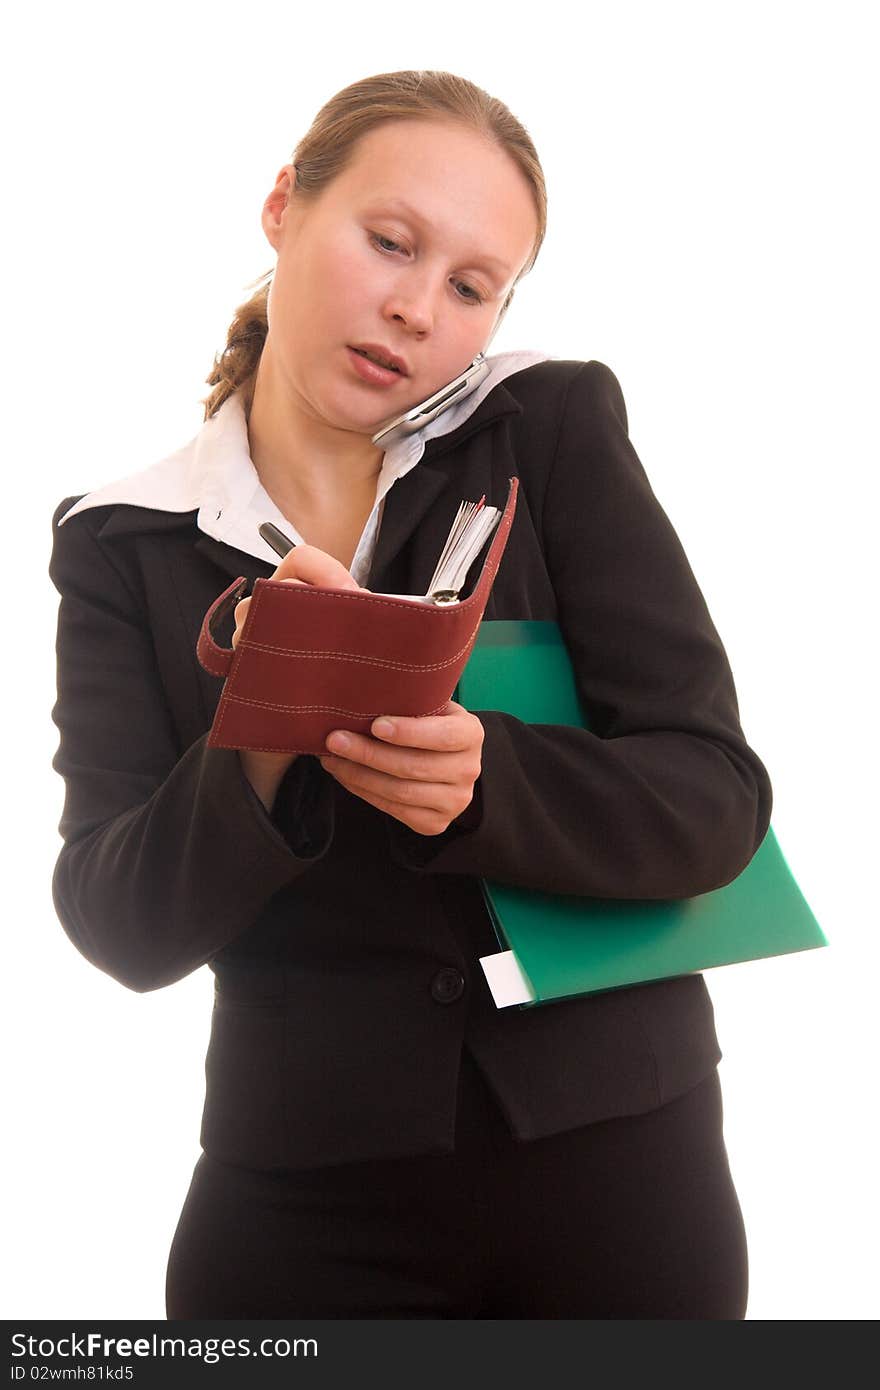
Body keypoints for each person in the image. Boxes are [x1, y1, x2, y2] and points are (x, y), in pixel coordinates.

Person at [48, 69, 773, 1320]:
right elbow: (120, 924)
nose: (414, 308)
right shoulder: (129, 542)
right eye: (390, 242)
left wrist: (493, 776)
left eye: (471, 286)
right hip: (304, 1188)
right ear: (283, 206)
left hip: (618, 1162)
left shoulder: (545, 429)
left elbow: (718, 802)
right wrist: (265, 732)